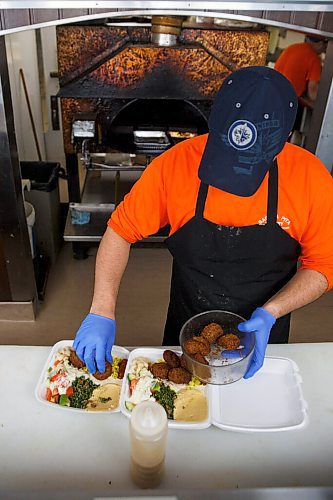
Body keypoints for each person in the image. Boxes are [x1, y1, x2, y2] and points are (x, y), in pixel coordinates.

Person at [73, 66, 333, 380]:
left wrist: (272, 312)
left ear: (286, 139)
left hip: (266, 328)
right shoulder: (173, 165)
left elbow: (324, 264)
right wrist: (101, 309)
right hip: (186, 323)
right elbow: (120, 232)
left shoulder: (311, 179)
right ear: (214, 120)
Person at [274, 35, 327, 102]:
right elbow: (312, 93)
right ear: (320, 44)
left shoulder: (292, 47)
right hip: (287, 99)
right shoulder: (314, 58)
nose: (324, 50)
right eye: (325, 47)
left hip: (273, 92)